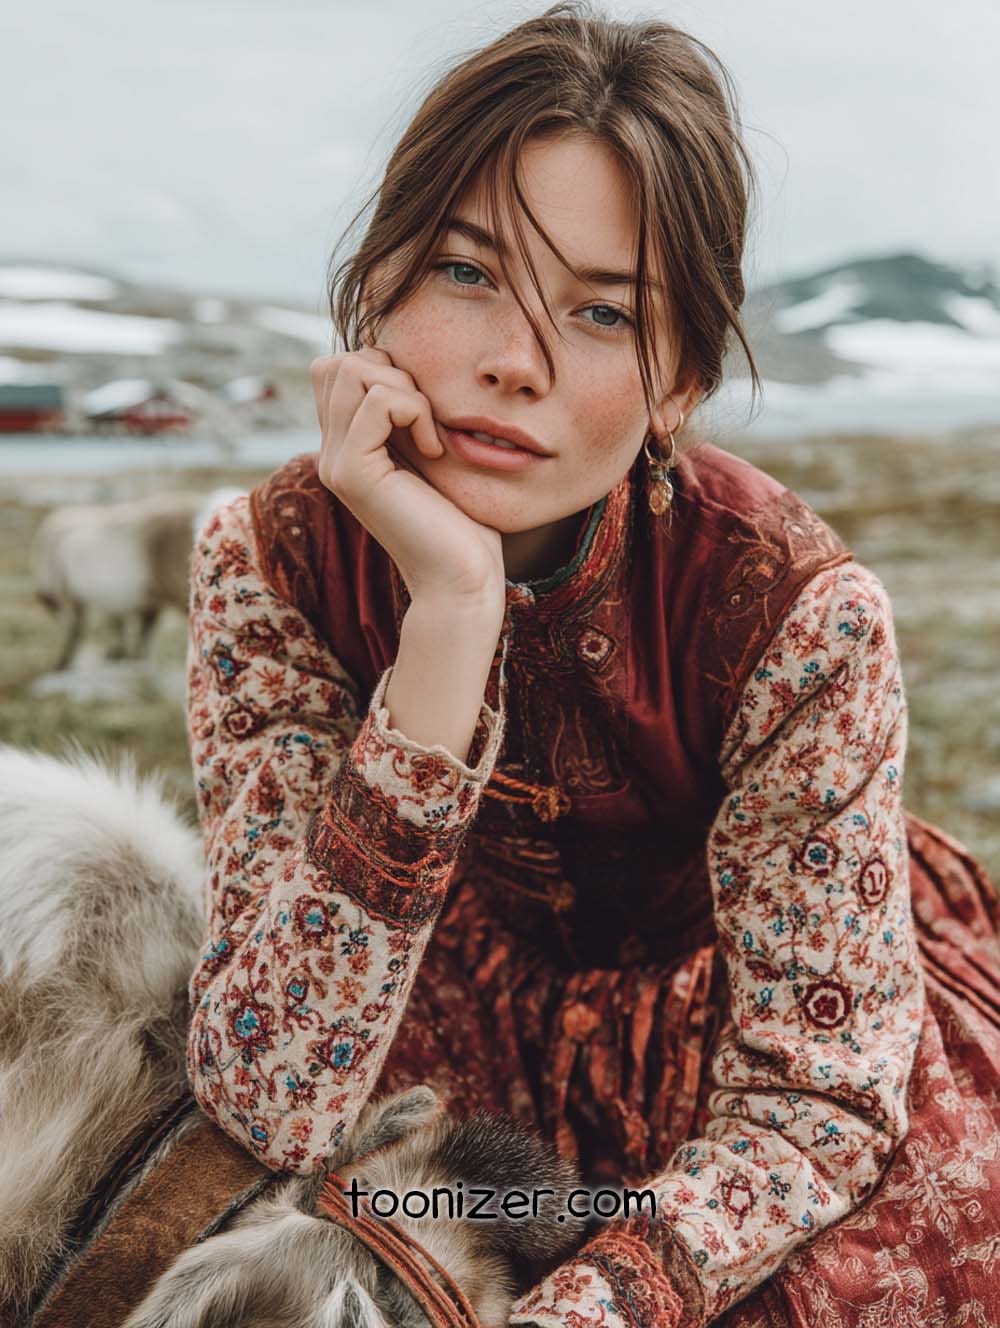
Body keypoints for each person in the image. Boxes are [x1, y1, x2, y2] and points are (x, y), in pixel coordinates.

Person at [183, 4, 1000, 1324]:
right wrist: (449, 615)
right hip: (433, 1027)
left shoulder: (790, 606)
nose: (515, 362)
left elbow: (820, 1099)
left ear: (677, 380)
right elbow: (273, 1094)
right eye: (466, 273)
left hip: (744, 1041)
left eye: (604, 313)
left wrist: (592, 1303)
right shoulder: (274, 558)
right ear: (378, 283)